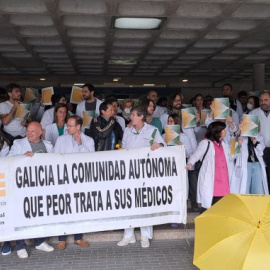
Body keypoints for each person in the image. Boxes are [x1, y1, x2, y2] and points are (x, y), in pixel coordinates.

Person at [117, 105, 166, 248]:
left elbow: (163, 144)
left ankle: (145, 235)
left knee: (145, 203)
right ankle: (128, 235)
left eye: (133, 115)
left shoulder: (152, 130)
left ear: (141, 117)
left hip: (146, 172)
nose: (130, 117)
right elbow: (124, 147)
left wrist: (159, 145)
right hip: (129, 172)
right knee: (129, 202)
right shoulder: (127, 131)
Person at [4, 122, 54, 258]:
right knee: (22, 214)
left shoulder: (48, 145)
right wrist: (22, 156)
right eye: (28, 131)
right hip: (24, 186)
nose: (29, 133)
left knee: (38, 214)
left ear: (40, 132)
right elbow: (9, 159)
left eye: (32, 131)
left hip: (41, 185)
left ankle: (39, 241)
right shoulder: (18, 144)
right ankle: (21, 245)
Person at [54, 115, 94, 249]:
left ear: (78, 127)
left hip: (80, 180)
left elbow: (91, 159)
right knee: (62, 208)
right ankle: (61, 239)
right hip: (64, 179)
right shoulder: (61, 140)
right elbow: (55, 158)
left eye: (70, 126)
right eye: (67, 125)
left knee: (78, 209)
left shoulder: (88, 140)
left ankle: (78, 238)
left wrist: (80, 145)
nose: (67, 128)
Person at [186, 122, 232, 212]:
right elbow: (196, 155)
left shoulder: (224, 144)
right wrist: (189, 163)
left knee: (220, 205)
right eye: (223, 130)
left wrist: (238, 145)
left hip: (223, 179)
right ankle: (205, 223)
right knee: (208, 205)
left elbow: (231, 156)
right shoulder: (206, 143)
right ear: (217, 131)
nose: (225, 131)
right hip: (212, 179)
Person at [231, 128, 268, 195]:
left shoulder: (260, 137)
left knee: (258, 190)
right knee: (245, 190)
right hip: (246, 165)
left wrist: (253, 139)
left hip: (257, 165)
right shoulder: (239, 137)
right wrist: (238, 143)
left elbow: (261, 150)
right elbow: (233, 154)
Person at [249, 91, 270, 187]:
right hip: (259, 149)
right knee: (262, 176)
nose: (263, 102)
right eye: (261, 100)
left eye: (266, 100)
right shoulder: (253, 113)